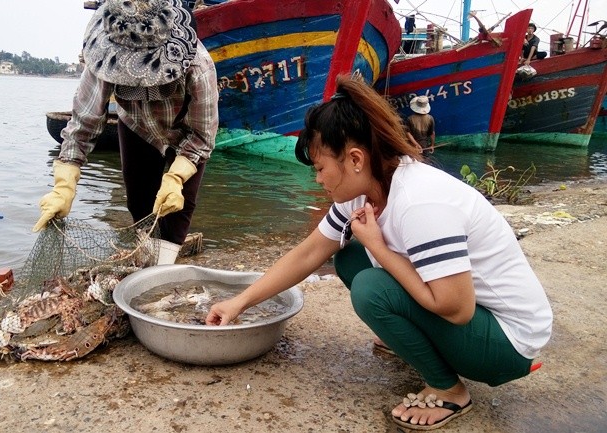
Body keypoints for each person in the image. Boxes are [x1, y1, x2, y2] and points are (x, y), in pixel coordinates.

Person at [206, 75, 552, 430]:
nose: (318, 180)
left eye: (321, 168)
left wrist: (379, 248)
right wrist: (241, 301)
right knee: (349, 257)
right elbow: (308, 254)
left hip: (507, 344)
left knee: (372, 286)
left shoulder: (419, 203)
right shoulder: (363, 189)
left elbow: (457, 308)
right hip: (475, 319)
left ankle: (449, 391)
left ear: (355, 158)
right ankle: (409, 338)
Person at [33, 0, 219, 246]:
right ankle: (146, 254)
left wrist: (175, 178)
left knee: (179, 209)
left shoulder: (199, 66)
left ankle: (166, 262)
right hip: (136, 125)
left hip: (185, 133)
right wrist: (64, 185)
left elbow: (202, 134)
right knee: (139, 204)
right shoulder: (103, 59)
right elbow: (83, 124)